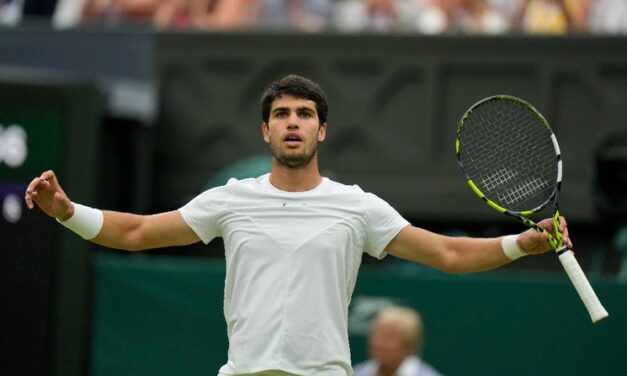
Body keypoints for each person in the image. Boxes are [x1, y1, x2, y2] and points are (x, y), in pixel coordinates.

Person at [25, 74, 572, 376]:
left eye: (305, 114)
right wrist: (68, 212)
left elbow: (449, 256)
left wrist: (520, 244)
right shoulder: (230, 200)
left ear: (322, 131)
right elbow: (140, 232)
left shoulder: (357, 207)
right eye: (283, 114)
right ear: (266, 131)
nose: (293, 123)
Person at [353, 306, 443, 376]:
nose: (378, 343)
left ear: (409, 345)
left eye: (388, 337)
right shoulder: (353, 373)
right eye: (376, 335)